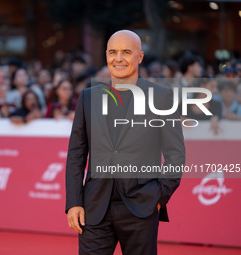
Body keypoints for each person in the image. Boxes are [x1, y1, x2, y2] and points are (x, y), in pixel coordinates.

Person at [65, 30, 185, 255]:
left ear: (139, 56)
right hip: (94, 207)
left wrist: (158, 197)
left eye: (126, 52)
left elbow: (175, 154)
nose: (118, 58)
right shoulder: (88, 97)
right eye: (112, 52)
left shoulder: (161, 97)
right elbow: (76, 154)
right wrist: (74, 202)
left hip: (141, 206)